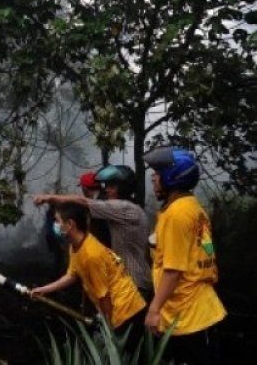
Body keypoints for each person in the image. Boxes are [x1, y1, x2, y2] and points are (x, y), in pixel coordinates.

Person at [143, 147, 226, 365]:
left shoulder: (177, 214)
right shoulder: (191, 206)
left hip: (189, 315)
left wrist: (153, 309)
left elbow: (173, 269)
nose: (153, 178)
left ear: (173, 177)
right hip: (196, 308)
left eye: (158, 172)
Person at [31, 203, 146, 353]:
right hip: (116, 308)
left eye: (58, 221)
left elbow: (104, 296)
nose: (55, 225)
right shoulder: (76, 245)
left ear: (70, 224)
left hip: (125, 311)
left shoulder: (91, 255)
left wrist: (107, 329)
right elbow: (72, 274)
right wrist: (45, 290)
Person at [34, 165, 152, 297]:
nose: (106, 190)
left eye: (112, 186)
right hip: (129, 284)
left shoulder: (125, 209)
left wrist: (49, 198)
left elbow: (84, 202)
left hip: (135, 285)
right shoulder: (127, 211)